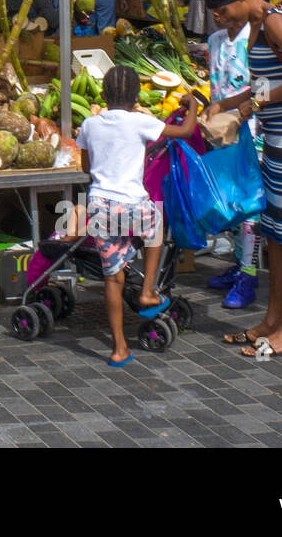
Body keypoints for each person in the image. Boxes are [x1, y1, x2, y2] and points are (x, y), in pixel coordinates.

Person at [203, 0, 282, 359]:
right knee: (274, 230)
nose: (221, 19)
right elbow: (262, 85)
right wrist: (227, 102)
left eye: (221, 11)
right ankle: (272, 321)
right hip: (276, 136)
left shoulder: (273, 21)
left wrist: (253, 104)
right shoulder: (255, 27)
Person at [76, 66, 200, 367]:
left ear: (104, 95)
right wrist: (193, 106)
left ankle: (119, 349)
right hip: (133, 203)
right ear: (136, 96)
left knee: (112, 278)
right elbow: (184, 131)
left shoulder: (90, 125)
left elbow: (85, 166)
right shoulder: (141, 122)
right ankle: (147, 292)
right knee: (155, 226)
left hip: (101, 205)